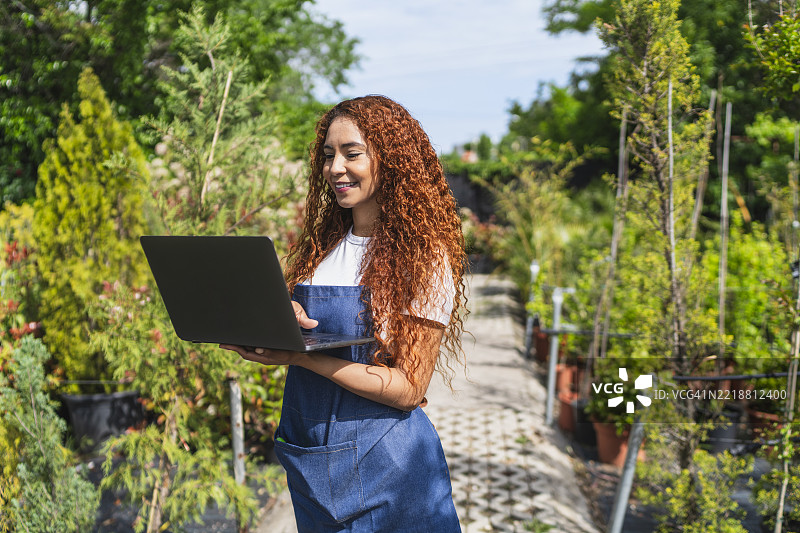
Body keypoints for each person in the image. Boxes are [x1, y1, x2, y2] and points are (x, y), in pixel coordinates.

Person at [221, 95, 467, 532]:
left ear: (390, 160)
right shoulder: (322, 252)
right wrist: (284, 320)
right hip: (314, 465)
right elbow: (318, 332)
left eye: (352, 153)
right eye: (329, 155)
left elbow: (409, 388)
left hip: (390, 470)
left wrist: (299, 356)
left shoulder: (422, 259)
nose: (335, 168)